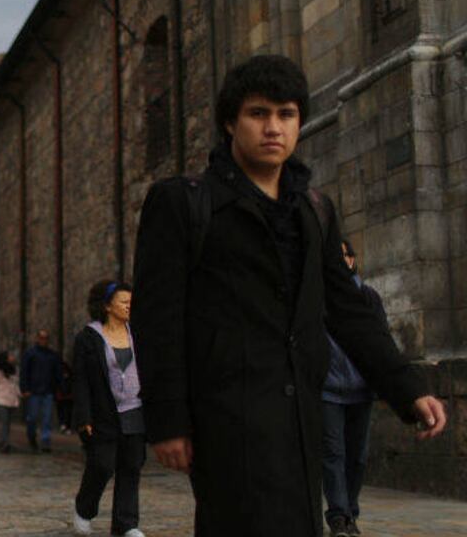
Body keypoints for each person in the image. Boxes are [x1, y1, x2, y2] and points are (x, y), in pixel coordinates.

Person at [132, 54, 446, 535]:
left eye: (286, 114)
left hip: (301, 416)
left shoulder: (314, 210)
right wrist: (168, 420)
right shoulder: (183, 202)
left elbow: (348, 310)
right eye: (258, 114)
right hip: (226, 419)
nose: (273, 127)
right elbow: (158, 320)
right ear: (230, 122)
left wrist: (407, 388)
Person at [322, 241, 387, 536]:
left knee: (357, 456)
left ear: (352, 260)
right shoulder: (318, 297)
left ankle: (350, 511)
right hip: (329, 389)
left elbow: (380, 338)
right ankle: (338, 516)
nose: (342, 260)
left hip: (361, 388)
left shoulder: (367, 297)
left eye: (346, 255)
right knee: (333, 453)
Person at [71, 281, 146, 537]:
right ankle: (84, 508)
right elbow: (80, 380)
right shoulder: (88, 339)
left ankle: (127, 524)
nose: (129, 306)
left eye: (130, 302)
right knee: (102, 465)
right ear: (106, 306)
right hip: (104, 413)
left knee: (131, 466)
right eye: (123, 302)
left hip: (135, 410)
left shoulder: (138, 334)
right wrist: (83, 416)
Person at [20, 328, 62, 452]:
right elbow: (24, 372)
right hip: (33, 391)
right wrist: (25, 388)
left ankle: (45, 441)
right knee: (32, 417)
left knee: (47, 418)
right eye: (41, 338)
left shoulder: (52, 355)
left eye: (46, 338)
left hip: (47, 391)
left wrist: (59, 387)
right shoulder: (30, 353)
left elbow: (57, 372)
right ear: (38, 339)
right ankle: (31, 436)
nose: (44, 340)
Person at [0, 351, 21, 453]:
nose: (12, 357)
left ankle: (4, 440)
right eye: (10, 356)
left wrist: (20, 394)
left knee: (8, 423)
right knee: (5, 422)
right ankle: (5, 443)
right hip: (1, 399)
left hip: (12, 400)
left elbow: (16, 385)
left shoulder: (16, 370)